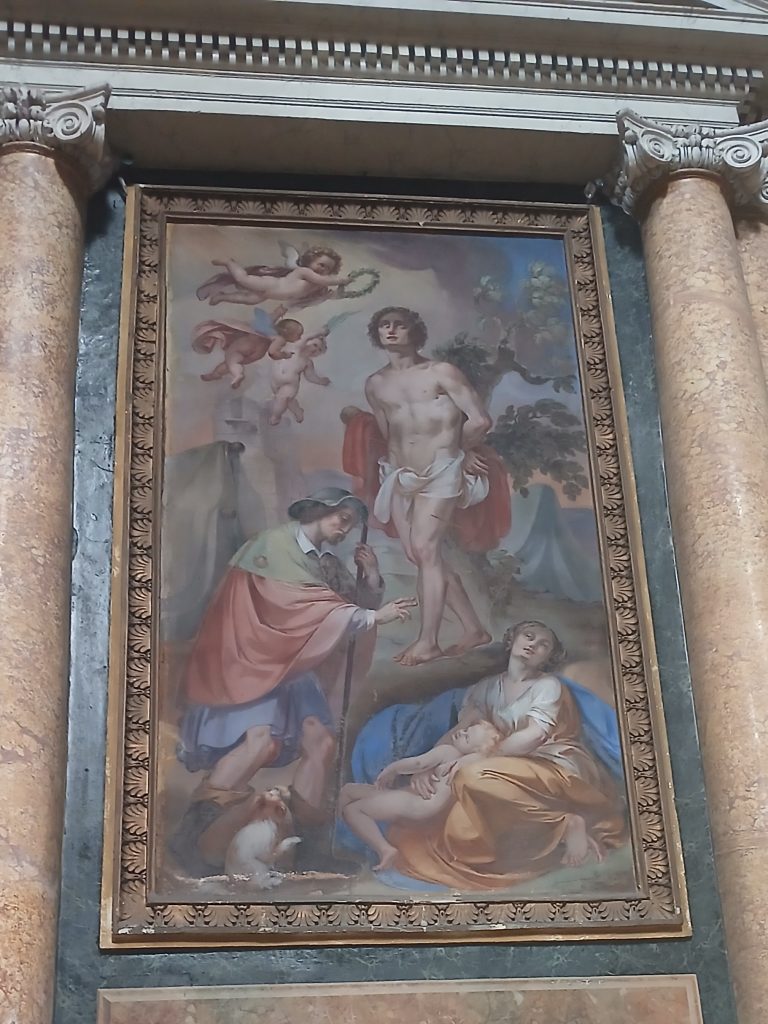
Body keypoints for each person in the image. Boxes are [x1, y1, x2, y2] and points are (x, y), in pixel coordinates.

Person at [170, 487, 416, 875]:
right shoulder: (274, 545)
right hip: (252, 659)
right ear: (317, 510)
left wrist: (370, 579)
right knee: (261, 743)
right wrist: (371, 617)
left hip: (293, 666)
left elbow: (345, 614)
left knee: (321, 743)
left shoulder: (325, 563)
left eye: (351, 525)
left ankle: (308, 847)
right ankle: (192, 836)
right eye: (342, 519)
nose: (345, 530)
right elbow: (298, 608)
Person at [389, 620, 627, 888]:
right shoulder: (485, 688)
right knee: (458, 837)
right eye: (528, 636)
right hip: (495, 769)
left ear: (549, 657)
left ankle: (567, 823)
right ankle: (545, 839)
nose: (533, 645)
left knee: (470, 776)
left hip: (551, 765)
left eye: (543, 644)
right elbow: (461, 729)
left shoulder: (547, 686)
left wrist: (484, 756)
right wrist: (429, 764)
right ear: (512, 640)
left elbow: (535, 735)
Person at [362, 306, 494, 666]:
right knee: (418, 554)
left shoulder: (441, 372)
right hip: (399, 473)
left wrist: (462, 451)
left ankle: (428, 642)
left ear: (414, 331)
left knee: (425, 548)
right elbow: (388, 431)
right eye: (384, 325)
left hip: (441, 469)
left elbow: (480, 420)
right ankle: (473, 629)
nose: (391, 331)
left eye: (399, 325)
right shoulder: (375, 384)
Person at [339, 719, 500, 870]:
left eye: (467, 738)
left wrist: (393, 769)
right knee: (348, 790)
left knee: (353, 810)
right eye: (466, 730)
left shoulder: (448, 751)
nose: (461, 732)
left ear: (474, 750)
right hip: (416, 800)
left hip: (416, 803)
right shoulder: (469, 761)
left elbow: (418, 763)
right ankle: (343, 842)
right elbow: (480, 755)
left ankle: (385, 849)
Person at [196, 246, 350, 308]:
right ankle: (229, 263)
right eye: (321, 264)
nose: (323, 269)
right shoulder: (305, 272)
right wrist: (341, 280)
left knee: (249, 300)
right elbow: (322, 280)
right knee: (243, 279)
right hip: (270, 285)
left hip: (269, 295)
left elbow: (313, 298)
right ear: (311, 261)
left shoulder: (317, 285)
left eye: (328, 269)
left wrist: (328, 296)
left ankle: (222, 297)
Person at [269, 329, 331, 424]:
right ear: (307, 342)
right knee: (289, 401)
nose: (315, 350)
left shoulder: (307, 362)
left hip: (290, 384)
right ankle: (298, 411)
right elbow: (306, 337)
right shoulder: (295, 348)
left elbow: (310, 376)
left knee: (283, 398)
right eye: (314, 345)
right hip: (275, 381)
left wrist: (321, 381)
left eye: (319, 350)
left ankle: (276, 417)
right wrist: (320, 332)